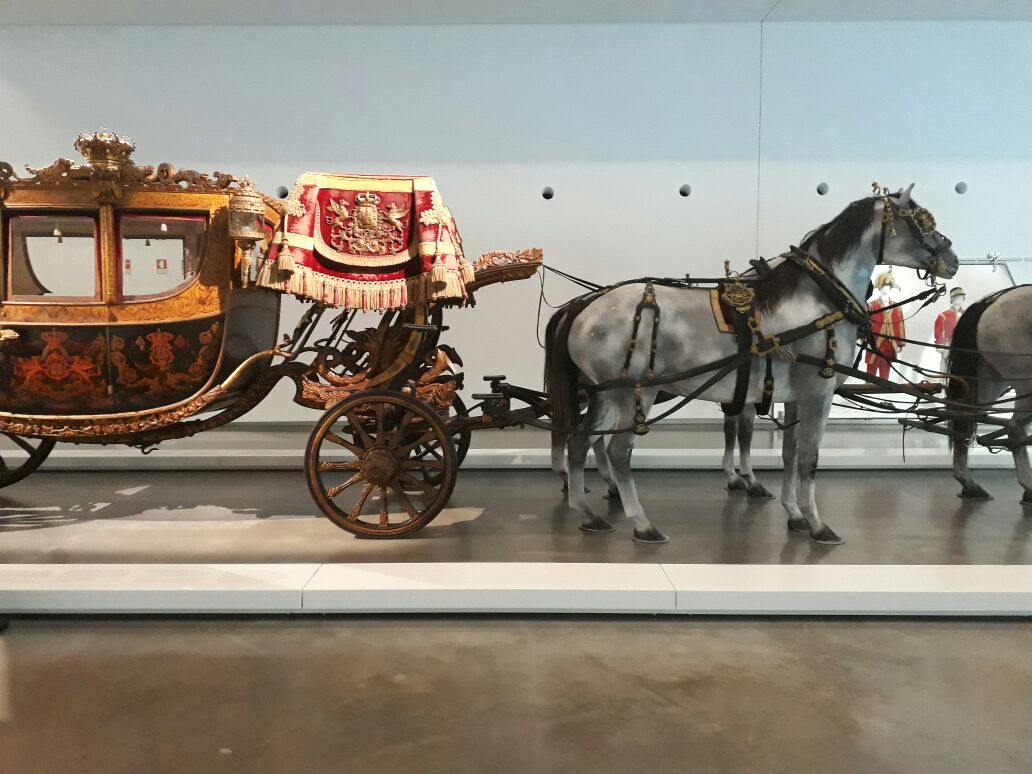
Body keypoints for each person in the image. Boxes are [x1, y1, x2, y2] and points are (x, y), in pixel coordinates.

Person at [866, 271, 906, 380]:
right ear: (879, 287)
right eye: (884, 285)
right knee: (870, 374)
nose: (886, 288)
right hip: (874, 342)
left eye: (889, 286)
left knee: (885, 373)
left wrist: (900, 342)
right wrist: (866, 341)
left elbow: (900, 324)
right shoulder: (871, 305)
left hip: (890, 344)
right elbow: (866, 324)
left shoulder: (897, 307)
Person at [934, 287, 966, 375]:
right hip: (948, 345)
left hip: (963, 345)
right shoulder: (944, 315)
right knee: (946, 369)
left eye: (961, 296)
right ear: (952, 299)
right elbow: (938, 331)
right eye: (957, 296)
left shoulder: (966, 314)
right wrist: (940, 344)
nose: (959, 298)